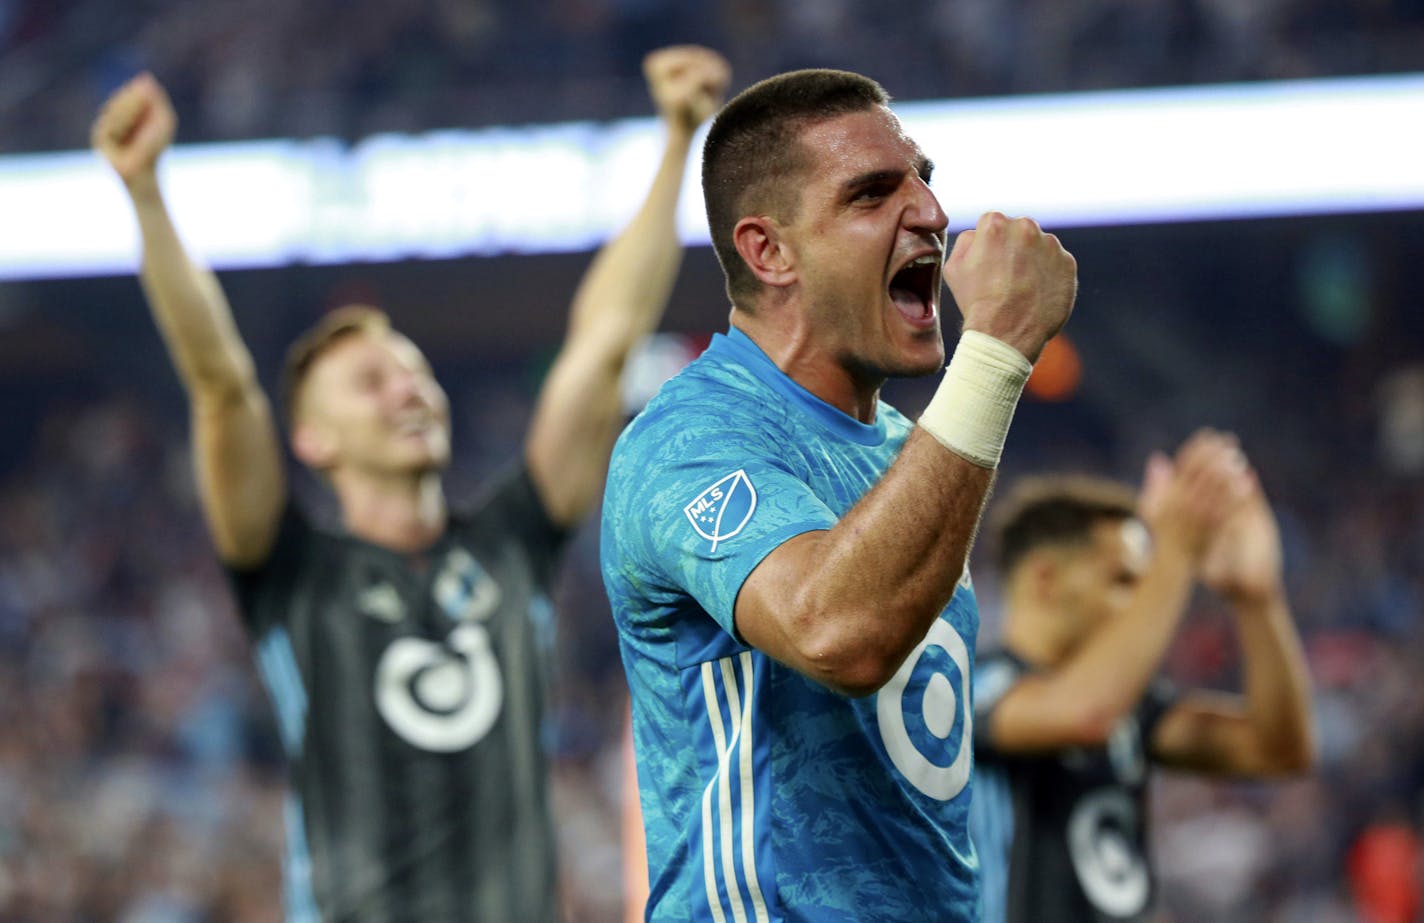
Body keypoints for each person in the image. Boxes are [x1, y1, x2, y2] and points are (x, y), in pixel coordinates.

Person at [90, 45, 731, 923]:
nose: (408, 389)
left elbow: (606, 339)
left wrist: (676, 141)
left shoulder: (514, 538)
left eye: (413, 370)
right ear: (311, 439)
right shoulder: (292, 577)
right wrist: (147, 195)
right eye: (370, 381)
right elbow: (219, 380)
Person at [600, 68, 1078, 921]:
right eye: (871, 194)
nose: (930, 212)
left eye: (924, 178)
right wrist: (996, 350)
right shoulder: (688, 441)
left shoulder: (906, 452)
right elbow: (840, 633)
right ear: (768, 251)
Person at [969, 435, 1316, 923]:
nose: (1141, 604)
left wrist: (1256, 600)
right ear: (1045, 579)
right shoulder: (975, 687)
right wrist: (1174, 552)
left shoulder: (1128, 707)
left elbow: (1278, 750)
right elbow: (1085, 714)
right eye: (1123, 581)